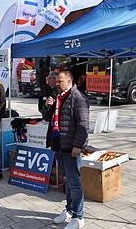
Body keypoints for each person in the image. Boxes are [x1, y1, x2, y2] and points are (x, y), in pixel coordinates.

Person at [41, 70, 89, 229]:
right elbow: (47, 118)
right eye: (56, 81)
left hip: (70, 147)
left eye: (60, 81)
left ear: (69, 82)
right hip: (58, 145)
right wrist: (47, 106)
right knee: (67, 181)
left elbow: (83, 126)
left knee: (74, 182)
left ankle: (79, 216)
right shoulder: (57, 97)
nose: (56, 83)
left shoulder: (78, 98)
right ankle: (69, 209)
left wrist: (77, 146)